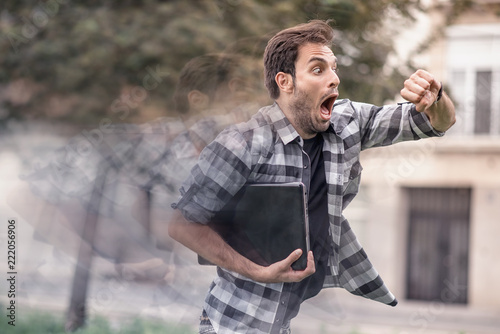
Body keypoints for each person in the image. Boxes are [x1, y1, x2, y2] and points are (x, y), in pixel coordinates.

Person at [168, 20, 456, 334]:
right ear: (285, 82)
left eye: (334, 68)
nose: (334, 79)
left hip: (282, 324)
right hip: (231, 322)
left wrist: (436, 97)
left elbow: (436, 122)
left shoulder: (347, 123)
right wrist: (256, 271)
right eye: (318, 69)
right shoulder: (241, 144)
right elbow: (183, 224)